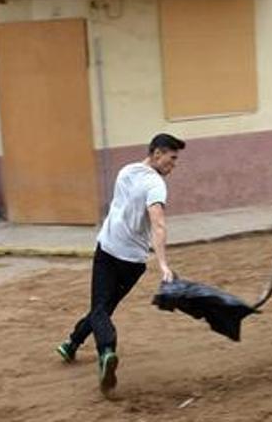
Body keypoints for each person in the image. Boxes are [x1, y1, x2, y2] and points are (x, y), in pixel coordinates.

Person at [55, 133, 184, 395]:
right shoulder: (156, 185)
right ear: (157, 154)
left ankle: (105, 350)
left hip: (107, 250)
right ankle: (72, 344)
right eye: (172, 158)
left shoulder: (126, 171)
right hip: (133, 262)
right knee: (104, 307)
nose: (174, 164)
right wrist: (163, 265)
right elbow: (158, 224)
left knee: (100, 308)